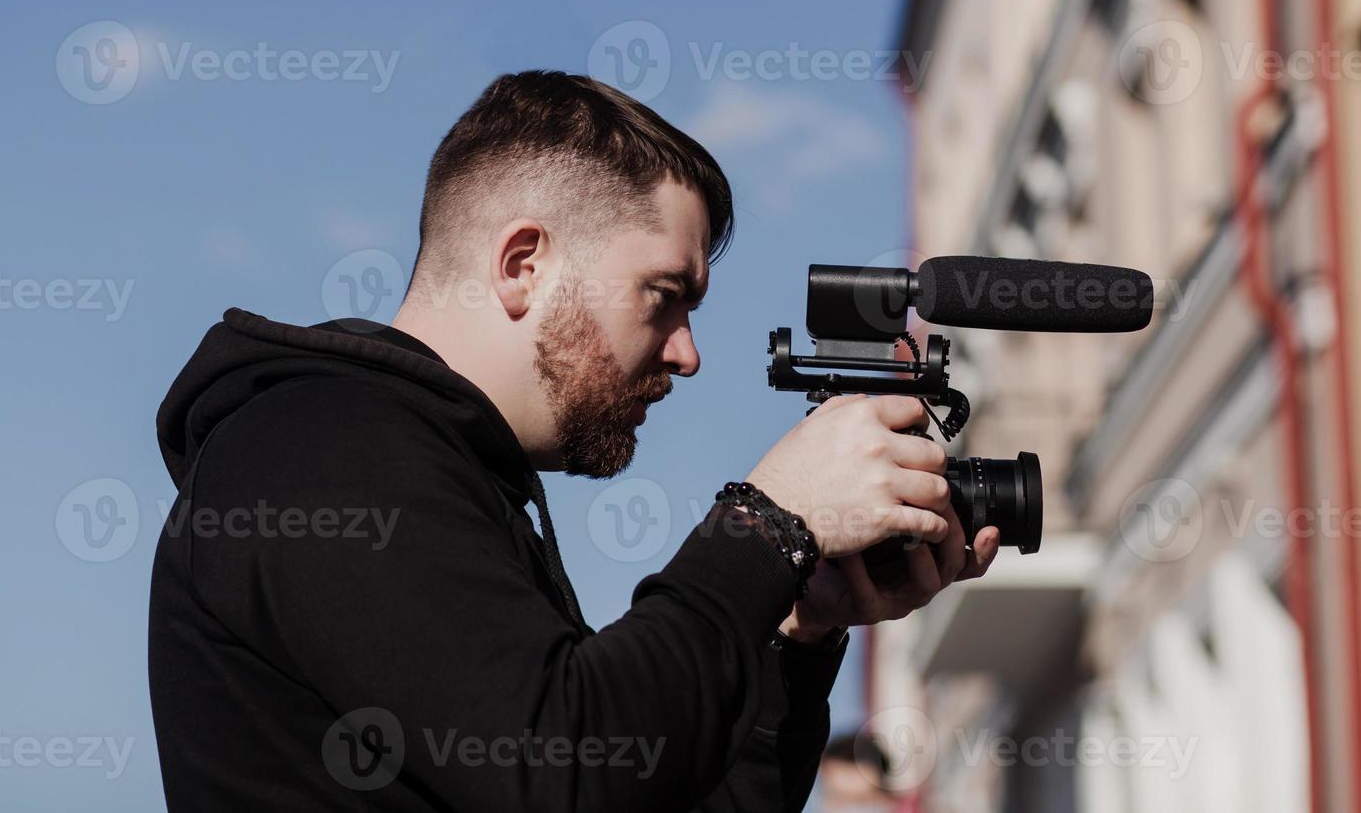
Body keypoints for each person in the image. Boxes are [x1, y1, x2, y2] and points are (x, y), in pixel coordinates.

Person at [148, 70, 999, 811]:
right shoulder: (323, 450)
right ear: (524, 263)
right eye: (662, 295)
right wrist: (767, 522)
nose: (685, 354)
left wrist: (794, 634)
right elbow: (570, 771)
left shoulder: (434, 471)